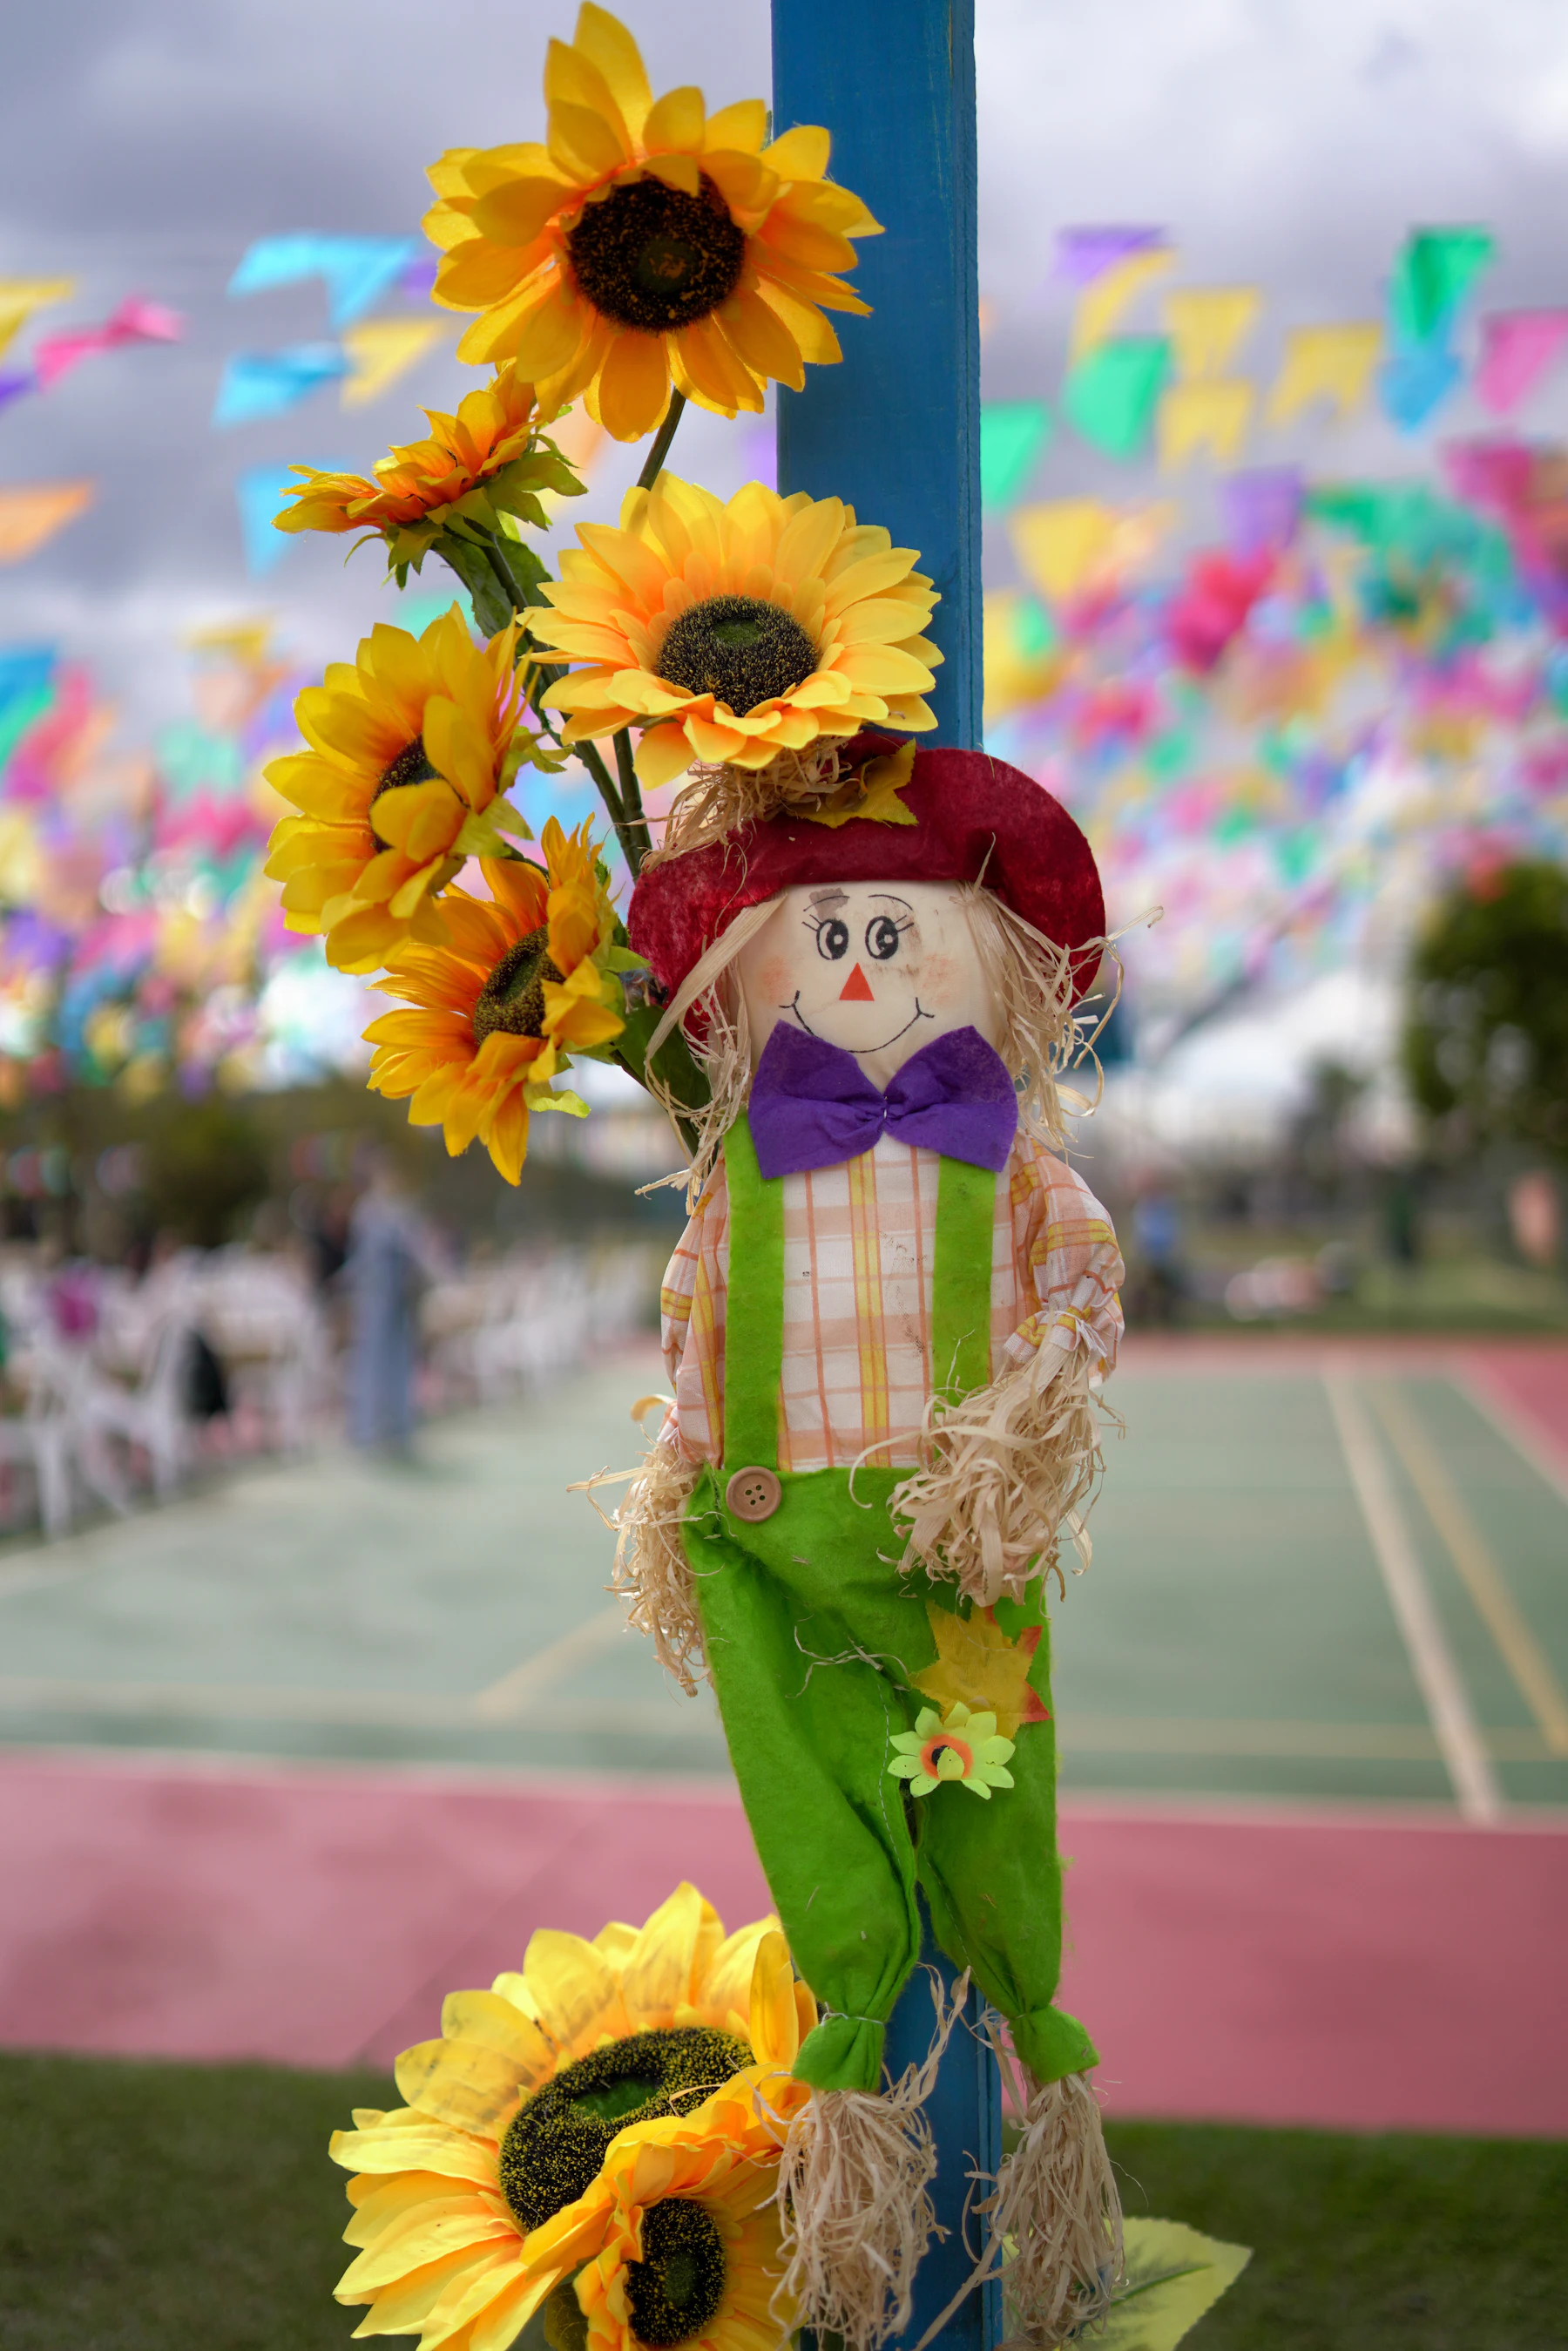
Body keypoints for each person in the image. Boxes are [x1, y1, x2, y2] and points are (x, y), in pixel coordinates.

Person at [610, 731, 1125, 2347]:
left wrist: (1022, 1419)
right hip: (777, 1548)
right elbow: (692, 1320)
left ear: (979, 962)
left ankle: (1042, 2103)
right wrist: (683, 1464)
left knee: (992, 1806)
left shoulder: (1012, 1162)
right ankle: (846, 2150)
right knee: (812, 1814)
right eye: (823, 938)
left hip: (955, 1541)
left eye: (892, 936)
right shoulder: (742, 1169)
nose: (853, 967)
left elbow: (1082, 1291)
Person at [341, 1158, 443, 1453]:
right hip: (376, 1302)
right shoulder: (368, 1212)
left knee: (399, 1364)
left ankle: (398, 1428)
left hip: (398, 1302)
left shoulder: (401, 1212)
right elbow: (362, 1261)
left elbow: (418, 1253)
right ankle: (368, 1429)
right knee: (371, 1364)